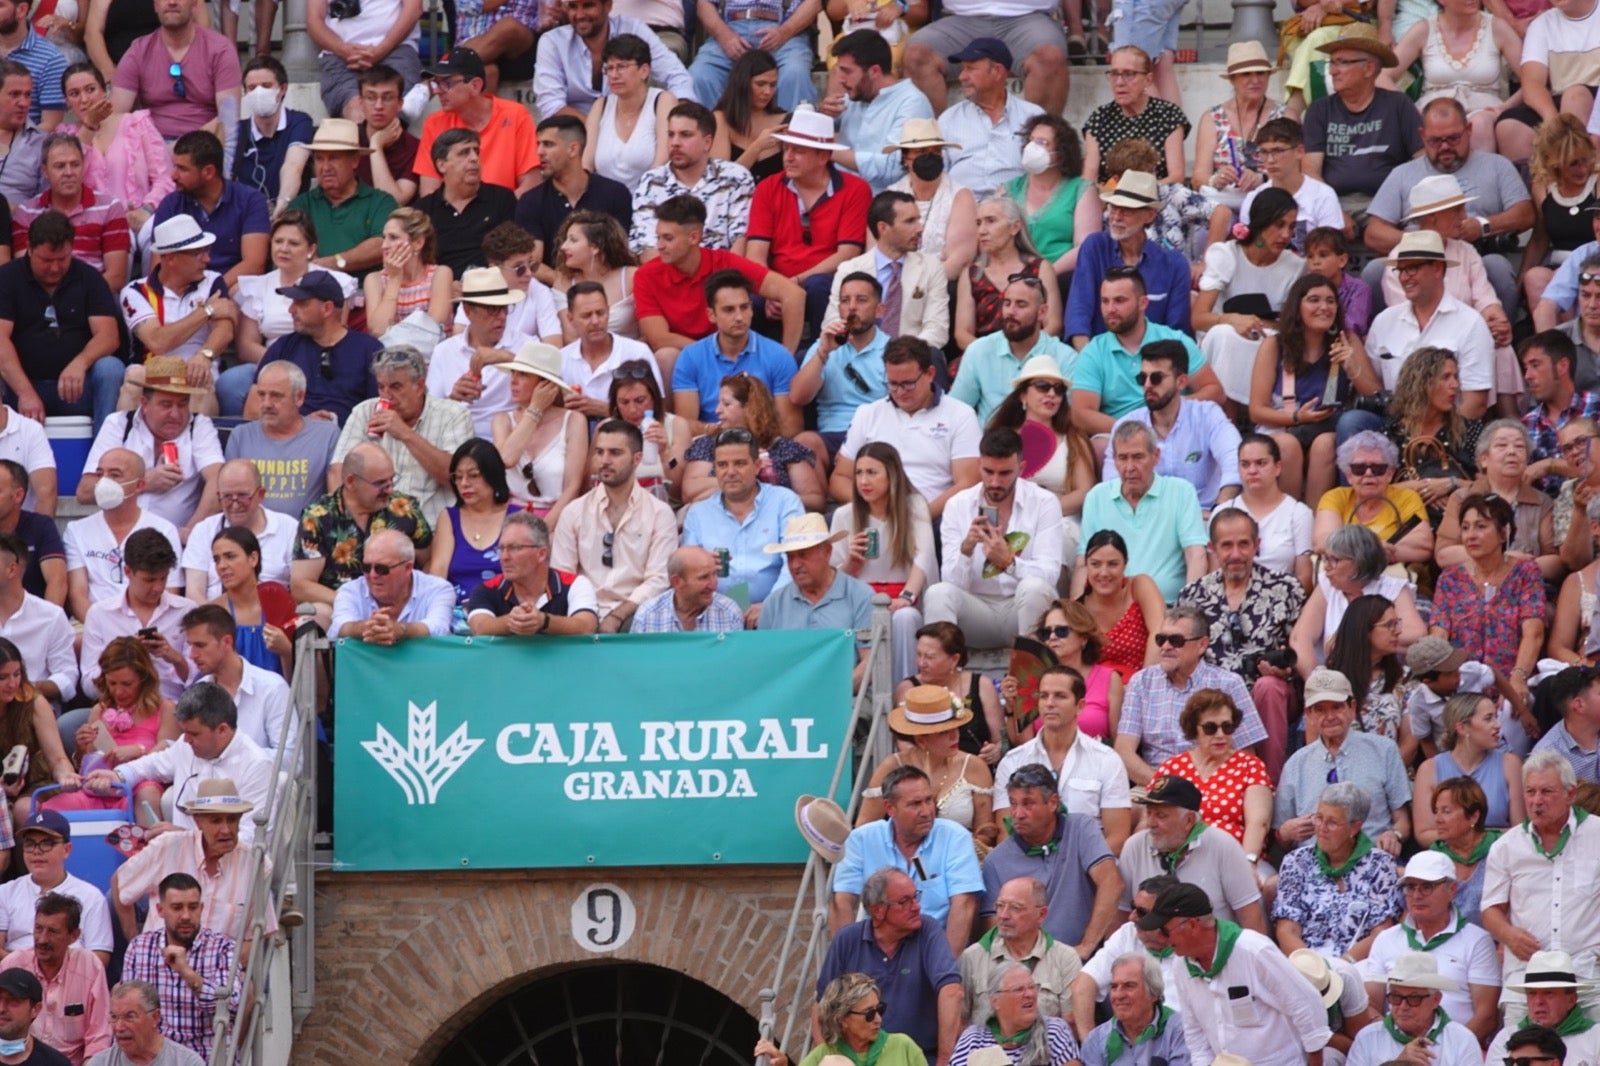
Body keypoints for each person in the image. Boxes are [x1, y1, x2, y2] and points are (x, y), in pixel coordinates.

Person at [1364, 98, 1533, 310]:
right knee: (1374, 271)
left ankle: (1500, 333)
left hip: (1477, 254)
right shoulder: (1402, 174)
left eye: (1453, 138)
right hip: (1417, 260)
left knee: (1497, 266)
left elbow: (1525, 214)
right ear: (1422, 135)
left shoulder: (1496, 165)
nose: (1445, 147)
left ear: (1469, 129)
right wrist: (1427, 240)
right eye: (1435, 140)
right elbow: (1373, 233)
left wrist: (1482, 226)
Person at [1141, 881, 1333, 1066]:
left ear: (1192, 925)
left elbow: (1306, 1004)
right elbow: (1195, 1033)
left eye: (1165, 931)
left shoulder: (1254, 950)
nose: (1162, 939)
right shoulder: (1180, 966)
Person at [1176, 511, 1303, 780]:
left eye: (1243, 544)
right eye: (1226, 545)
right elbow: (1182, 657)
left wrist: (1284, 670)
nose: (1236, 554)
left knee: (1268, 688)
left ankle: (1267, 786)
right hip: (1211, 696)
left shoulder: (1286, 588)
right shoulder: (1192, 595)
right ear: (1212, 549)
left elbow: (1299, 654)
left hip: (1268, 693)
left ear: (1257, 545)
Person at [924, 427, 1060, 650]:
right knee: (938, 593)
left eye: (1005, 473)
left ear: (1021, 468)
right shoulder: (958, 505)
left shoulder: (1044, 502)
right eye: (988, 471)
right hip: (977, 609)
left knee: (1034, 587)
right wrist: (966, 550)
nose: (995, 482)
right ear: (979, 465)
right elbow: (952, 584)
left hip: (1023, 608)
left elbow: (1050, 576)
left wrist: (1009, 563)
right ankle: (941, 679)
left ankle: (1033, 679)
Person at [810, 870, 963, 1065]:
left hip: (920, 1058)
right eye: (904, 902)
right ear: (878, 911)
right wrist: (829, 1058)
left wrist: (944, 1061)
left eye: (915, 897)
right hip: (855, 1059)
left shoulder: (928, 930)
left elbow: (952, 991)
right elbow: (822, 1005)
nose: (916, 907)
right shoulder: (847, 940)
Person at [831, 761, 983, 954]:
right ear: (889, 808)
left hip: (934, 949)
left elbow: (965, 904)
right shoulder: (862, 839)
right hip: (879, 951)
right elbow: (842, 901)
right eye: (915, 804)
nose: (927, 812)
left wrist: (945, 968)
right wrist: (848, 963)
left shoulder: (954, 837)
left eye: (929, 800)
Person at [1482, 749, 1600, 997]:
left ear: (1570, 794)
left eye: (1546, 791)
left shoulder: (1597, 835)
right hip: (1525, 977)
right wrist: (1508, 935)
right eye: (1530, 791)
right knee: (1517, 1036)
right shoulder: (1506, 847)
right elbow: (1491, 908)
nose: (1537, 801)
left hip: (1588, 975)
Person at [634, 194, 805, 365]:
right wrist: (713, 354)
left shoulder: (725, 263)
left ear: (693, 237)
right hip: (689, 357)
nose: (659, 246)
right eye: (658, 237)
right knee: (665, 355)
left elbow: (794, 294)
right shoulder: (646, 275)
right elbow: (659, 338)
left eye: (668, 238)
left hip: (733, 351)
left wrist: (786, 356)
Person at [744, 110, 870, 336]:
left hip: (823, 284)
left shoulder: (855, 189)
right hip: (777, 286)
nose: (788, 157)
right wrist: (774, 290)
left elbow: (847, 253)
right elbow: (755, 255)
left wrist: (792, 286)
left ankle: (824, 357)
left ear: (823, 157)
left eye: (798, 151)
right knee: (749, 299)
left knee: (819, 286)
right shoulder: (767, 188)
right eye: (786, 149)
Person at [1114, 605, 1268, 788]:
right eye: (1161, 639)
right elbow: (1124, 751)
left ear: (1202, 645)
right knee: (1128, 812)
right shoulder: (1141, 682)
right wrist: (1164, 786)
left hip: (1215, 787)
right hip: (1154, 786)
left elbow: (1246, 756)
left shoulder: (1229, 684)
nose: (1165, 647)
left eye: (1176, 640)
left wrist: (1209, 791)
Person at [983, 762, 1124, 959]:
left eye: (1028, 803)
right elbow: (996, 932)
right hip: (1026, 967)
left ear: (1053, 803)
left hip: (1081, 960)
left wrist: (1086, 947)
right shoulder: (996, 861)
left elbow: (1112, 883)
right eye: (1013, 803)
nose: (1017, 814)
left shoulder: (1081, 828)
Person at [1360, 850, 1502, 1042]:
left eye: (1427, 887)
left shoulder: (1477, 941)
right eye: (1410, 887)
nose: (1417, 895)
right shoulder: (1386, 939)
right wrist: (1392, 1043)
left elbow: (1486, 1017)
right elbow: (1371, 1006)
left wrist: (1442, 1050)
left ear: (1452, 890)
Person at [832, 336, 979, 521]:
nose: (900, 392)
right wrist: (875, 509)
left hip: (933, 516)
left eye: (908, 384)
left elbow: (968, 483)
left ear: (930, 374)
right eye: (893, 384)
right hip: (874, 512)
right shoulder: (868, 413)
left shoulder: (960, 415)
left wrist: (919, 517)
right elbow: (839, 479)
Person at [550, 420, 675, 633]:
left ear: (637, 459)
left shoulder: (660, 513)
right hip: (581, 612)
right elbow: (562, 575)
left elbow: (659, 580)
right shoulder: (574, 511)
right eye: (599, 452)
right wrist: (584, 615)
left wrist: (618, 615)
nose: (604, 461)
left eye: (615, 453)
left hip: (638, 615)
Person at [78, 355, 222, 537]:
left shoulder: (199, 425)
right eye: (166, 405)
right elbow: (85, 492)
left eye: (182, 404)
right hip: (119, 539)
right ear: (144, 404)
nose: (175, 414)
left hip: (176, 541)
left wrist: (190, 533)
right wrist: (144, 482)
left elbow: (218, 480)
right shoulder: (119, 424)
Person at [0, 210, 119, 429]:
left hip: (76, 388)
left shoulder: (89, 277)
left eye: (62, 259)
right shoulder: (6, 278)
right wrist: (25, 392)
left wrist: (80, 363)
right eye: (46, 260)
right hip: (17, 388)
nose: (55, 267)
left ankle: (105, 450)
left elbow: (109, 336)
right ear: (29, 247)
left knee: (110, 368)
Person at [290, 442, 433, 622]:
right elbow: (301, 585)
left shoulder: (403, 507)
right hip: (341, 610)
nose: (390, 489)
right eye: (380, 483)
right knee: (312, 616)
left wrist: (414, 601)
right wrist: (354, 605)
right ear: (351, 481)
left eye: (392, 480)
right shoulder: (318, 516)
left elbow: (429, 560)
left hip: (403, 610)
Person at [993, 664, 1130, 849]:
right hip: (1028, 868)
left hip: (1087, 867)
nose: (1050, 703)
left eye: (1060, 696)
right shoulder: (1013, 761)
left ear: (1080, 706)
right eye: (1043, 696)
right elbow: (1005, 834)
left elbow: (1117, 837)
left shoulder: (1107, 760)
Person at [333, 345, 473, 525]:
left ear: (420, 386)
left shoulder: (453, 414)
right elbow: (338, 471)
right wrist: (346, 522)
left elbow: (455, 477)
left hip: (434, 526)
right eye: (381, 387)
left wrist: (405, 434)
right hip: (373, 526)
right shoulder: (364, 411)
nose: (386, 396)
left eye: (396, 387)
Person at [1276, 667, 1415, 848]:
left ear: (1352, 708)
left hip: (1371, 859)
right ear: (1308, 715)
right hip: (1314, 868)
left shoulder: (1384, 750)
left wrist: (1394, 835)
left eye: (1337, 707)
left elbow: (1402, 821)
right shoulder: (1296, 764)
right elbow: (1281, 836)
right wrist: (1286, 832)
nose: (1330, 716)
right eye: (1320, 710)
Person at [1363, 231, 1494, 420]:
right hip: (1393, 425)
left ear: (1438, 269)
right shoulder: (1384, 321)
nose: (1404, 277)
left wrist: (1435, 437)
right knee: (1354, 421)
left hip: (1447, 431)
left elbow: (1476, 403)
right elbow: (1373, 390)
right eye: (1400, 270)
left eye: (1412, 268)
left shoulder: (1470, 323)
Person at [231, 213, 360, 405]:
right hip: (271, 361)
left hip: (320, 361)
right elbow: (246, 346)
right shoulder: (257, 286)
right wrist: (282, 366)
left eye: (293, 243)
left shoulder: (335, 283)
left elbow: (336, 333)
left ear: (311, 249)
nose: (284, 249)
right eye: (278, 241)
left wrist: (301, 365)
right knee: (230, 383)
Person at [829, 442, 933, 681]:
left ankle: (903, 692)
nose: (864, 481)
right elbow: (833, 577)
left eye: (872, 473)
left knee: (905, 618)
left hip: (904, 597)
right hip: (861, 601)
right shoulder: (844, 515)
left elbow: (923, 557)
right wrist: (850, 563)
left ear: (892, 475)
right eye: (859, 473)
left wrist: (906, 598)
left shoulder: (914, 506)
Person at [1077, 422, 1208, 605]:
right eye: (1123, 458)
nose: (1130, 467)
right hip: (1112, 611)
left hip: (1168, 608)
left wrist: (1187, 610)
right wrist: (1078, 615)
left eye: (1138, 457)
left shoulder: (1181, 491)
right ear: (1114, 460)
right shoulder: (1096, 497)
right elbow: (1083, 564)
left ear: (1156, 456)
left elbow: (1196, 555)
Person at [1105, 341, 1241, 514]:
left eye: (1156, 378)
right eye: (1142, 378)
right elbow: (1111, 484)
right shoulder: (1126, 425)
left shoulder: (1207, 415)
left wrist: (1219, 511)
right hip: (1147, 519)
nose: (1147, 385)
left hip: (1202, 517)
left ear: (1181, 382)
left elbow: (1235, 461)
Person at [1274, 781, 1404, 958]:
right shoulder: (1296, 862)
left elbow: (1381, 931)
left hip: (1358, 964)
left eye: (1332, 822)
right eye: (1318, 818)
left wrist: (1344, 965)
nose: (1321, 828)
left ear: (1354, 827)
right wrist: (1314, 968)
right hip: (1306, 963)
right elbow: (1287, 929)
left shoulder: (1381, 865)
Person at [1431, 493, 1547, 689]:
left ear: (1504, 533)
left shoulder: (1525, 573)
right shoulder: (1450, 579)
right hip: (1461, 686)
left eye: (1481, 526)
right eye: (1465, 528)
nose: (1471, 535)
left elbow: (1533, 633)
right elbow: (1438, 636)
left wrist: (1517, 680)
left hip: (1511, 684)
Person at [1302, 29, 1422, 215]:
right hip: (1335, 202)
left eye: (1342, 62)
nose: (1333, 71)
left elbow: (1422, 160)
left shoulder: (1398, 104)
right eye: (1332, 63)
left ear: (1369, 68)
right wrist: (1332, 210)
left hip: (1389, 202)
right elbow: (1310, 170)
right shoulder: (1319, 110)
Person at [856, 684, 996, 840]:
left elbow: (985, 830)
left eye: (956, 728)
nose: (955, 737)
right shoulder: (892, 766)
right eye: (944, 732)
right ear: (921, 740)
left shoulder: (974, 766)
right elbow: (863, 829)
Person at [120, 873, 236, 1062]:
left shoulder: (223, 948)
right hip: (153, 1057)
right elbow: (127, 1012)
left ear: (202, 908)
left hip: (207, 1057)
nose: (186, 916)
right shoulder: (139, 947)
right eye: (176, 908)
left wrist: (186, 972)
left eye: (193, 907)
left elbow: (232, 1007)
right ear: (160, 910)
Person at [54, 637, 176, 814]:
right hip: (98, 787)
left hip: (140, 786)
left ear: (143, 679)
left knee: (147, 796)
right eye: (112, 683)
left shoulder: (165, 710)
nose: (118, 691)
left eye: (126, 684)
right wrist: (81, 748)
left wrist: (139, 751)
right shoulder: (99, 710)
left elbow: (170, 758)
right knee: (56, 807)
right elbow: (86, 765)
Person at [1150, 689, 1275, 860]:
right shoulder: (1171, 767)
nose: (1220, 735)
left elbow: (1258, 823)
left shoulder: (1250, 765)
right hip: (1178, 859)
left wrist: (1248, 863)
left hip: (1234, 859)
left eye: (1227, 727)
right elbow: (1152, 820)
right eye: (1210, 728)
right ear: (1194, 730)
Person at [823, 189, 949, 353]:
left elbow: (937, 327)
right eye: (910, 221)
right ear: (883, 228)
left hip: (912, 358)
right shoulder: (850, 269)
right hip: (859, 354)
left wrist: (903, 356)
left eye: (918, 220)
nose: (920, 228)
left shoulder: (931, 266)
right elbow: (832, 321)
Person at [74, 527, 189, 705]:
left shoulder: (186, 611)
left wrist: (175, 658)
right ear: (128, 572)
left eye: (163, 578)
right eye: (149, 580)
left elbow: (202, 680)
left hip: (175, 709)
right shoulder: (100, 614)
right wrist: (122, 660)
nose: (158, 587)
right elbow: (89, 685)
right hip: (119, 711)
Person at [108, 0, 238, 153]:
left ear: (195, 4)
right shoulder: (138, 51)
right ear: (155, 5)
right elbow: (115, 118)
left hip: (204, 150)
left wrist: (176, 151)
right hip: (151, 148)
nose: (171, 2)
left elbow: (228, 119)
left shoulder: (220, 50)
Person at [515, 116, 633, 283]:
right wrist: (567, 285)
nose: (539, 152)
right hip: (554, 294)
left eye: (548, 144)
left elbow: (621, 254)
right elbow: (532, 261)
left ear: (573, 149)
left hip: (608, 288)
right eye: (538, 144)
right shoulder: (531, 201)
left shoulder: (615, 193)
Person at [57, 63, 170, 236]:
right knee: (118, 237)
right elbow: (67, 179)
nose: (84, 100)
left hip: (144, 215)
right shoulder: (64, 137)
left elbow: (164, 178)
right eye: (74, 94)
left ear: (105, 91)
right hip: (94, 221)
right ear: (67, 102)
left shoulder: (137, 123)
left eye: (90, 90)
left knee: (154, 235)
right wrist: (89, 126)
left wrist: (146, 210)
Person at [926, 39, 1044, 203]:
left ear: (997, 71)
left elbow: (1045, 173)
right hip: (961, 211)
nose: (961, 77)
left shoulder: (1033, 115)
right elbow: (937, 175)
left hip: (1015, 209)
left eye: (970, 69)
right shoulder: (949, 118)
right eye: (962, 69)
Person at [0, 893, 113, 1066]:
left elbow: (99, 1038)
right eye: (38, 929)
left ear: (74, 936)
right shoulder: (13, 964)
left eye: (53, 931)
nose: (42, 939)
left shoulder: (90, 967)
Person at [1432, 423, 1555, 580]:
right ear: (1484, 459)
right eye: (1502, 445)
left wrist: (1518, 571)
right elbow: (1444, 554)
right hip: (1472, 590)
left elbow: (1555, 561)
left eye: (1519, 446)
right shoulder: (1462, 498)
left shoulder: (1542, 502)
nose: (1512, 451)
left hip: (1525, 591)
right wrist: (1506, 559)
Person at [532, 0, 690, 122]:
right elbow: (552, 105)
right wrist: (598, 133)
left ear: (608, 5)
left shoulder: (633, 29)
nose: (579, 15)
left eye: (588, 5)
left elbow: (677, 76)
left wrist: (678, 120)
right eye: (573, 6)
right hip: (575, 130)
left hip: (630, 129)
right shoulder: (552, 42)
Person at [631, 101, 753, 259]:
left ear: (707, 142)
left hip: (721, 278)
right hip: (666, 278)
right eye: (671, 134)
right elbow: (647, 248)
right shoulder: (651, 182)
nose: (675, 143)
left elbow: (740, 243)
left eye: (685, 135)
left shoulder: (735, 178)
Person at [147, 131, 267, 289]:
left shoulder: (250, 200)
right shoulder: (171, 204)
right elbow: (159, 268)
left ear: (208, 172)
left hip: (230, 288)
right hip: (182, 290)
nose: (173, 175)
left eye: (182, 169)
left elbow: (254, 264)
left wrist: (211, 292)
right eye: (174, 166)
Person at [681, 374, 820, 509]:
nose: (717, 410)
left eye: (726, 404)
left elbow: (815, 500)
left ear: (749, 408)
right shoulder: (708, 444)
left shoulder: (784, 448)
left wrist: (767, 496)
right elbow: (689, 490)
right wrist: (745, 481)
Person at [412, 49, 537, 199]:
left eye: (446, 83)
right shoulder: (434, 124)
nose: (438, 91)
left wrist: (496, 213)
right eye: (436, 83)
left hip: (505, 217)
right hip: (453, 217)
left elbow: (532, 183)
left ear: (475, 86)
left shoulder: (515, 115)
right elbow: (429, 192)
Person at [284, 120, 400, 282]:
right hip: (313, 295)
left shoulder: (381, 202)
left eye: (334, 158)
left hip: (368, 295)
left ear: (355, 161)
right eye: (319, 159)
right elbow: (287, 246)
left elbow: (382, 245)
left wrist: (331, 263)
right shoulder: (302, 205)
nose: (325, 167)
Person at [960, 876, 1082, 1028]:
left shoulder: (1065, 958)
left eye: (1015, 908)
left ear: (1042, 915)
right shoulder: (972, 957)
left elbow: (1072, 1025)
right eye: (999, 906)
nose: (1004, 915)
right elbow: (959, 1023)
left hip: (1045, 1049)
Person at [486, 343, 587, 524]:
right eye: (513, 373)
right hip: (510, 519)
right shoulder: (502, 420)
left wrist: (544, 530)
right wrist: (535, 410)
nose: (513, 380)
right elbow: (507, 459)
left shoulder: (574, 420)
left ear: (545, 384)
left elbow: (572, 488)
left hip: (557, 519)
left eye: (523, 375)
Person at [423, 267, 529, 438]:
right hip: (458, 440)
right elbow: (430, 416)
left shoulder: (526, 345)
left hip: (510, 439)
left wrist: (508, 359)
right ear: (468, 311)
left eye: (505, 308)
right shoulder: (444, 351)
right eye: (493, 309)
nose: (502, 316)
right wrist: (453, 400)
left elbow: (552, 393)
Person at [182, 607, 293, 770]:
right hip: (209, 787)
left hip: (258, 788)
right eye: (191, 645)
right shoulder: (198, 690)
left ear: (227, 642)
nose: (192, 654)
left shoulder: (273, 687)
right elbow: (181, 754)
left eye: (200, 645)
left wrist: (229, 753)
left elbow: (291, 760)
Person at [1380, 346, 1480, 526]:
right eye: (1445, 377)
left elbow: (1490, 487)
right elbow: (1372, 489)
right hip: (1406, 523)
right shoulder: (1392, 432)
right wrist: (1422, 489)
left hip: (1459, 524)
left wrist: (1452, 483)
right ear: (1421, 383)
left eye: (1456, 377)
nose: (1455, 385)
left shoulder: (1470, 430)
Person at [13, 134, 128, 290]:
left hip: (94, 297)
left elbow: (116, 276)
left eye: (75, 164)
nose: (69, 172)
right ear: (45, 171)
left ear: (84, 166)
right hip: (40, 300)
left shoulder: (110, 208)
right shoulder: (26, 213)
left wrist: (77, 301)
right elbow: (25, 273)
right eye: (60, 166)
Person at [952, 274, 1071, 425]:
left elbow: (1069, 419)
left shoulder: (1065, 357)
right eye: (1007, 303)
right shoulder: (979, 350)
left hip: (1044, 444)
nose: (1010, 312)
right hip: (988, 444)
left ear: (1042, 312)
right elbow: (956, 411)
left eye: (1021, 305)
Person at [797, 272, 891, 457]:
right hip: (833, 435)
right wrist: (823, 354)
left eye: (861, 300)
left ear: (879, 310)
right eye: (845, 301)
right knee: (803, 443)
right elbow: (798, 397)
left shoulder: (893, 350)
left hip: (877, 436)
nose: (852, 307)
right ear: (839, 308)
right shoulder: (822, 346)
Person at [1002, 601, 1122, 743]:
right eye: (1046, 633)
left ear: (1083, 638)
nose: (1052, 637)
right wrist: (1011, 708)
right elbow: (1022, 743)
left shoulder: (1109, 679)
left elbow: (1118, 740)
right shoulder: (1032, 679)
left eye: (1061, 631)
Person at [464, 511, 599, 637]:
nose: (504, 557)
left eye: (514, 548)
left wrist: (544, 621)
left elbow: (587, 627)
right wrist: (512, 621)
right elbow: (479, 627)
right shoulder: (486, 588)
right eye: (501, 548)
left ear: (541, 554)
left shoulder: (575, 584)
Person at [953, 197, 1060, 353]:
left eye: (990, 221)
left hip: (1033, 356)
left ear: (1015, 227)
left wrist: (1020, 352)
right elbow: (962, 334)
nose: (982, 230)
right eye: (978, 223)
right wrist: (994, 356)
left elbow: (1054, 325)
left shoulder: (1040, 269)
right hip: (983, 358)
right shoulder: (972, 274)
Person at [1312, 431, 1435, 566]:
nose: (1369, 473)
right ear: (1348, 475)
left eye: (1377, 468)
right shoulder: (1335, 497)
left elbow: (1423, 545)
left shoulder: (1407, 498)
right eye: (1359, 468)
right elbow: (1323, 541)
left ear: (1390, 473)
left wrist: (1359, 552)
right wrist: (1373, 550)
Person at [410, 132, 519, 283]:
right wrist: (445, 288)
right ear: (441, 165)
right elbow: (417, 264)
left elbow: (516, 253)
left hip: (494, 288)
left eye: (476, 151)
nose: (474, 158)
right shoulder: (424, 210)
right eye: (464, 153)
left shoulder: (502, 198)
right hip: (442, 293)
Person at [0, 812, 110, 959]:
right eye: (29, 844)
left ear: (66, 850)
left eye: (46, 843)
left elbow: (99, 957)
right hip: (15, 976)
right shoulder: (5, 892)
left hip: (71, 975)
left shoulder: (91, 896)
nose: (36, 851)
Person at [423, 439, 515, 614]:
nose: (464, 483)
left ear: (493, 476)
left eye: (473, 475)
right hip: (455, 613)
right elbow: (438, 573)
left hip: (503, 613)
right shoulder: (449, 517)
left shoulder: (517, 518)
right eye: (458, 477)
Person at [178, 463, 293, 604]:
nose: (235, 504)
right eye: (227, 497)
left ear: (261, 494)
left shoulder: (289, 528)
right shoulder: (204, 530)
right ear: (218, 496)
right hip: (216, 619)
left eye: (242, 496)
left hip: (275, 618)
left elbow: (299, 590)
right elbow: (194, 595)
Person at [1345, 951, 1480, 1066]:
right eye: (1396, 997)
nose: (1403, 1007)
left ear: (1436, 999)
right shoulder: (1367, 1038)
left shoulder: (1461, 1039)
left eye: (1414, 999)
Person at [884, 118, 977, 283]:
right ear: (905, 157)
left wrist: (919, 285)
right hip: (893, 283)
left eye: (936, 151)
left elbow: (959, 259)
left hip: (942, 285)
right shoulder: (889, 196)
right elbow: (879, 253)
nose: (930, 157)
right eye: (921, 152)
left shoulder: (960, 196)